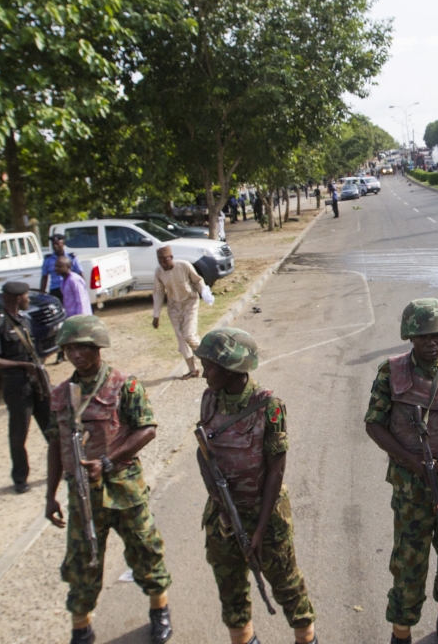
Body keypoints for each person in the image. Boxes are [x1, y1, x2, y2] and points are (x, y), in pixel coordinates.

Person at [44, 315, 173, 644]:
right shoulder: (60, 395)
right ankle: (81, 626)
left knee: (145, 550)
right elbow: (56, 447)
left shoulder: (123, 384)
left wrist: (107, 460)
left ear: (98, 347)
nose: (76, 355)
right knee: (82, 560)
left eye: (83, 348)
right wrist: (50, 495)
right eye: (70, 348)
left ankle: (159, 610)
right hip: (82, 494)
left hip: (124, 488)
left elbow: (147, 429)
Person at [364, 299, 438, 644]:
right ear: (410, 337)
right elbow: (374, 425)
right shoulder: (391, 372)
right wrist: (412, 462)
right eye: (425, 336)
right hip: (411, 487)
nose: (433, 343)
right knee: (409, 561)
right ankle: (401, 633)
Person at [194, 328, 318, 644]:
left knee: (287, 585)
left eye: (209, 366)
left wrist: (259, 531)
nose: (203, 372)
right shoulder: (209, 400)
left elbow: (276, 472)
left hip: (266, 514)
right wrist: (216, 496)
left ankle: (306, 638)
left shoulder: (269, 406)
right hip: (223, 515)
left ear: (230, 367)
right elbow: (202, 450)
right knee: (231, 588)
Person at [0, 281, 51, 494]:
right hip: (16, 385)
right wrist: (23, 366)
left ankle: (66, 465)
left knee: (52, 427)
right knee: (19, 434)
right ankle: (20, 478)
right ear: (16, 298)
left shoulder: (24, 320)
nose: (28, 299)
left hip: (36, 381)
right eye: (26, 296)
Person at [152, 245, 205, 379]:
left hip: (190, 303)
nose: (163, 264)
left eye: (165, 260)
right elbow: (158, 293)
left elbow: (198, 280)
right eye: (160, 261)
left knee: (189, 335)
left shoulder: (184, 265)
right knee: (181, 338)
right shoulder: (159, 272)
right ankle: (193, 369)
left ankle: (210, 360)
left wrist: (205, 294)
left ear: (171, 257)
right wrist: (156, 315)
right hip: (174, 306)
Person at [40, 233, 83, 299]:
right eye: (53, 244)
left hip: (70, 287)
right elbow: (44, 277)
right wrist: (42, 293)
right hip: (55, 289)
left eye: (57, 243)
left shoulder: (71, 257)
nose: (55, 246)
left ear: (63, 244)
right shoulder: (48, 259)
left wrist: (82, 289)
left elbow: (80, 273)